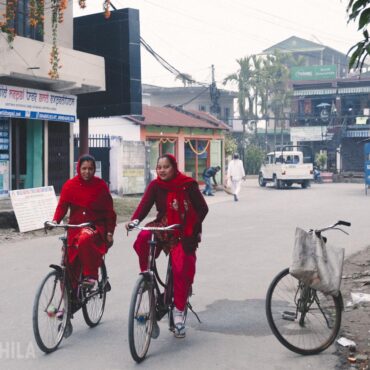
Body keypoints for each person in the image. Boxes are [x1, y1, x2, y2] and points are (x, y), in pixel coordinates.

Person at [125, 154, 208, 339]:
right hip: (164, 224)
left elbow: (203, 209)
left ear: (174, 167)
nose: (162, 170)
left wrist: (192, 226)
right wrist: (134, 221)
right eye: (159, 167)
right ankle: (147, 277)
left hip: (182, 230)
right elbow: (144, 206)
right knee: (143, 237)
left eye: (166, 166)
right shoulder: (155, 185)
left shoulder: (188, 184)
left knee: (181, 268)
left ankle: (178, 313)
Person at [52, 154, 117, 336]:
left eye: (90, 169)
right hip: (73, 228)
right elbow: (62, 206)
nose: (87, 172)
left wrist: (110, 231)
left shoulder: (100, 186)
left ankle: (91, 276)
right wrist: (55, 220)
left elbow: (110, 212)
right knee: (66, 267)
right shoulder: (70, 186)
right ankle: (67, 305)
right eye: (83, 169)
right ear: (78, 169)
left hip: (95, 228)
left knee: (85, 239)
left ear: (94, 169)